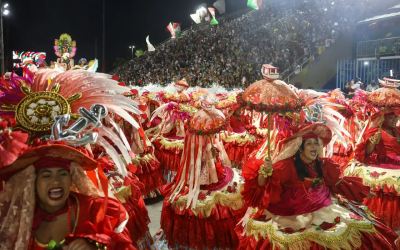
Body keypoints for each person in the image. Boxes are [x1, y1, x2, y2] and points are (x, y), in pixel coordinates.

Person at [236, 123, 398, 250]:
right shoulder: (285, 166)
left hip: (325, 205)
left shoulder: (323, 165)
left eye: (316, 143)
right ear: (299, 148)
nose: (315, 147)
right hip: (292, 214)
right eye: (310, 144)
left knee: (359, 227)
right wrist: (264, 172)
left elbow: (337, 183)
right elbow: (262, 189)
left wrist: (361, 190)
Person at [0, 142, 136, 250]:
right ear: (33, 182)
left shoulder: (97, 211)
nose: (56, 181)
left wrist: (98, 246)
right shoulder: (17, 220)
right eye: (46, 175)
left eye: (63, 173)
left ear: (72, 179)